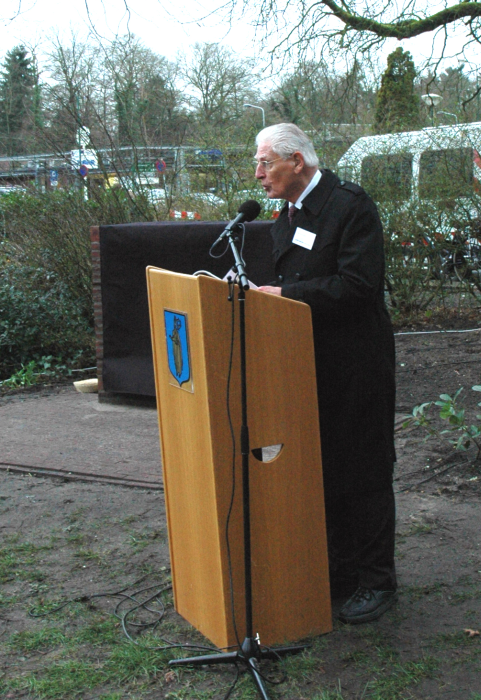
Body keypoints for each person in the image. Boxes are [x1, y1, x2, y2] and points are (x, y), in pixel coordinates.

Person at [255, 123, 397, 625]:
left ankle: (377, 580)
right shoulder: (286, 215)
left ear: (297, 162)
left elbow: (358, 286)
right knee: (324, 467)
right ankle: (339, 572)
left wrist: (285, 297)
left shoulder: (350, 206)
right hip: (305, 362)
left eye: (265, 162)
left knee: (364, 468)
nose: (258, 173)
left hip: (356, 364)